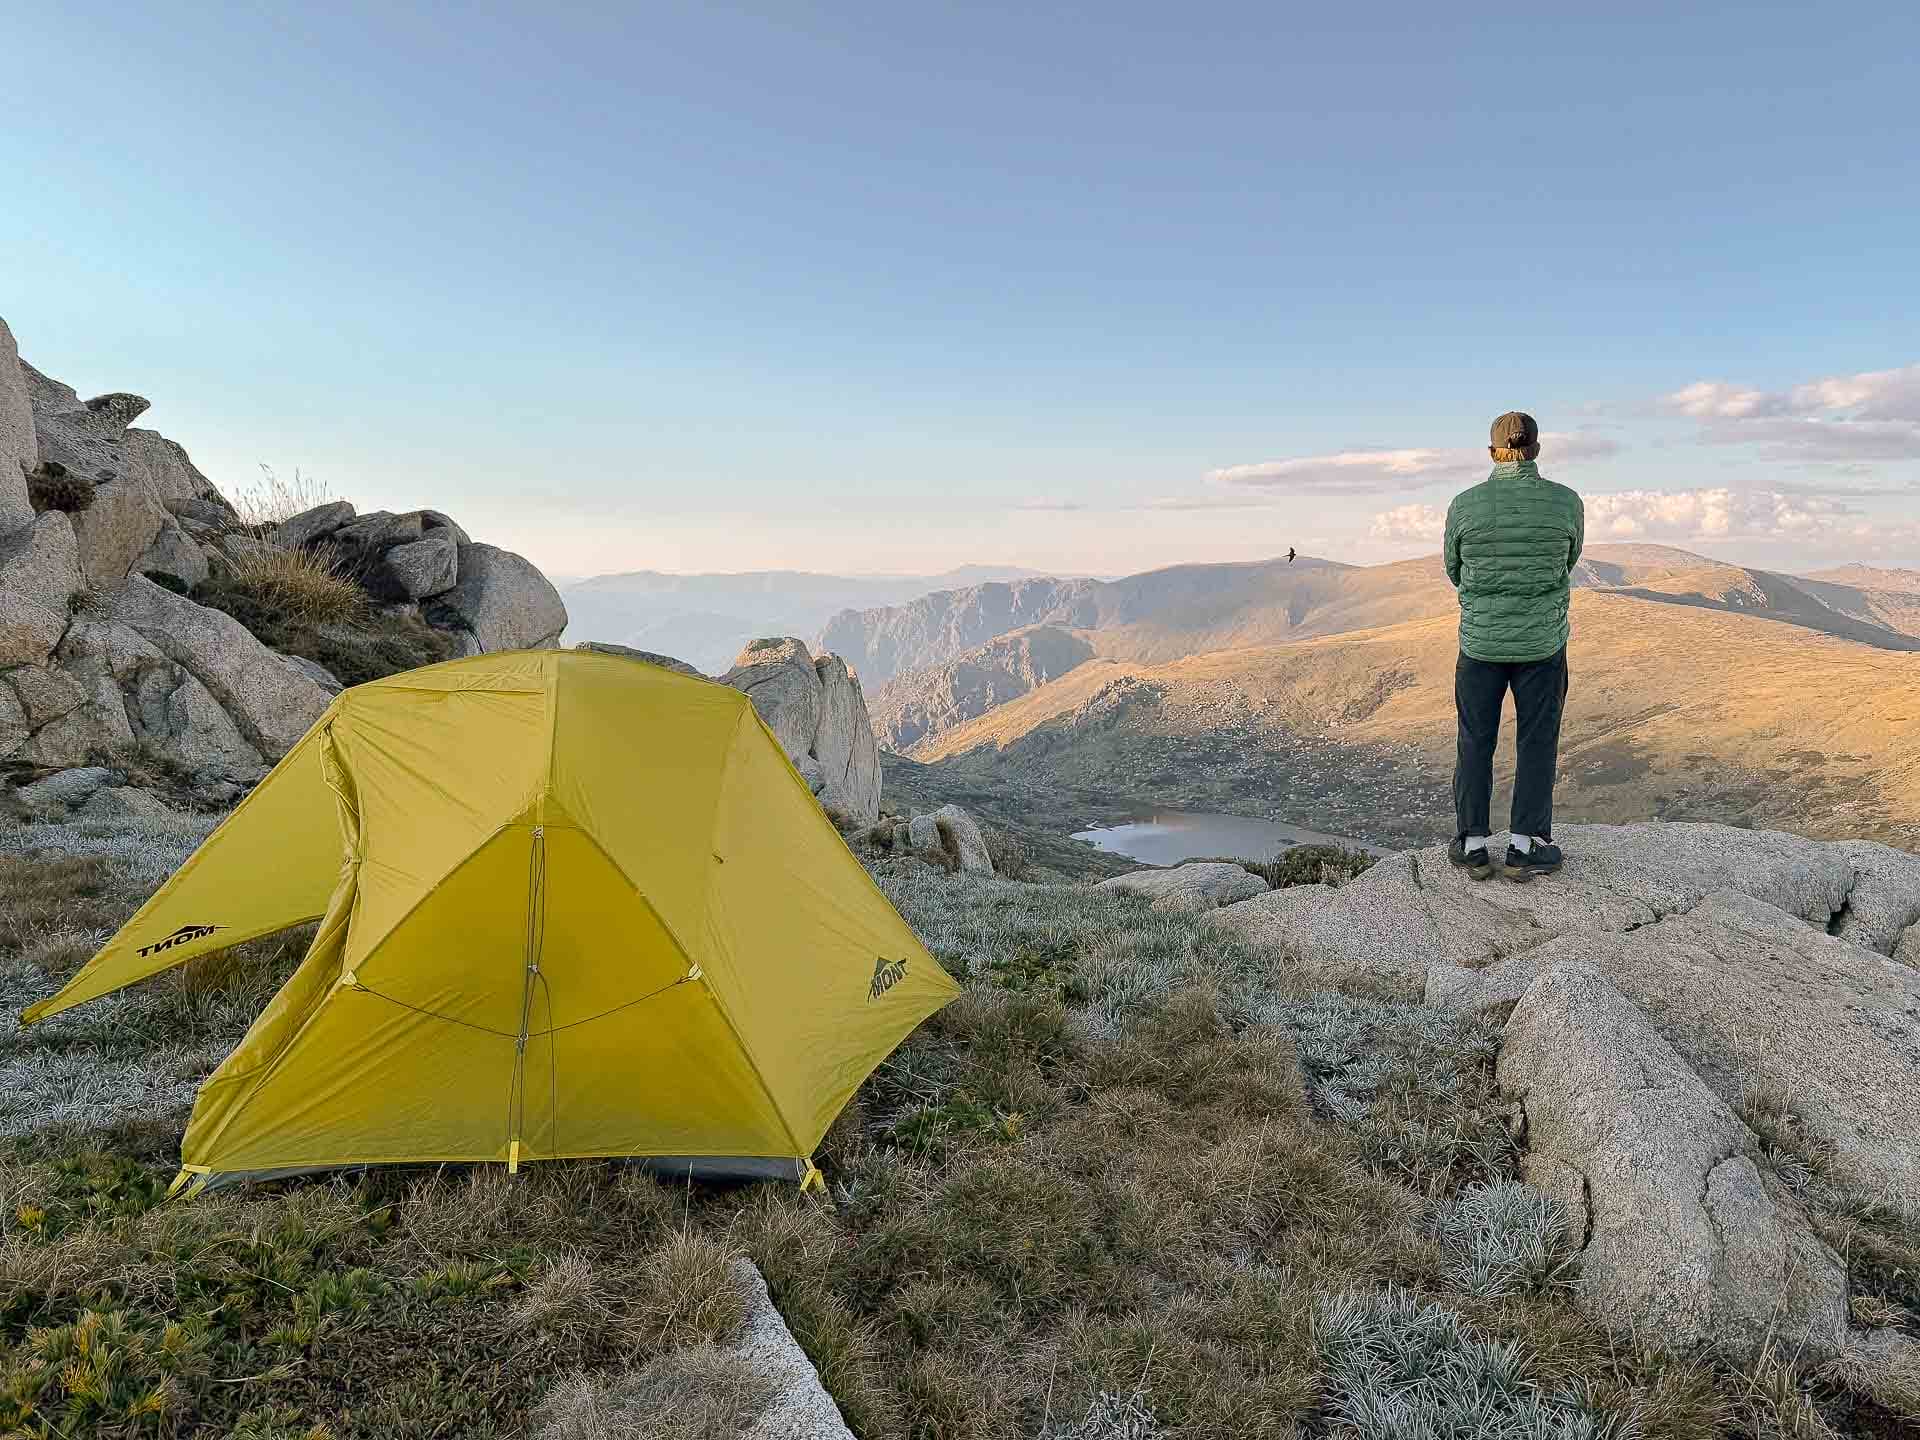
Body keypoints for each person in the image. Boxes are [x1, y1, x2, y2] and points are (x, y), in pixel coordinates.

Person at [1442, 412, 1585, 882]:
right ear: (1537, 450)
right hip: (1542, 645)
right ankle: (1525, 847)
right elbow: (1568, 559)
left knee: (1475, 739)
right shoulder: (1566, 502)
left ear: (1492, 452)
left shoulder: (1465, 505)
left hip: (1480, 645)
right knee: (1537, 740)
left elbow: (1455, 569)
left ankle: (1473, 844)